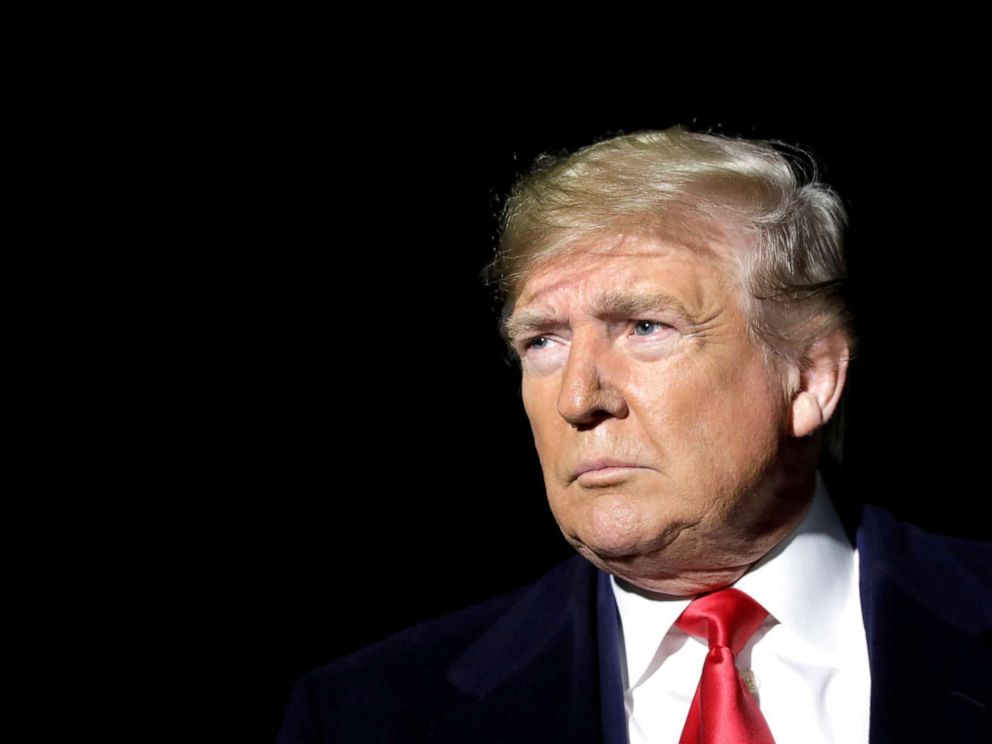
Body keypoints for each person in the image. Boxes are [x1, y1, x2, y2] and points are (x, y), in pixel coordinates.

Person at [276, 127, 991, 743]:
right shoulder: (365, 717)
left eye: (646, 327)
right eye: (543, 343)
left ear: (809, 380)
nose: (578, 398)